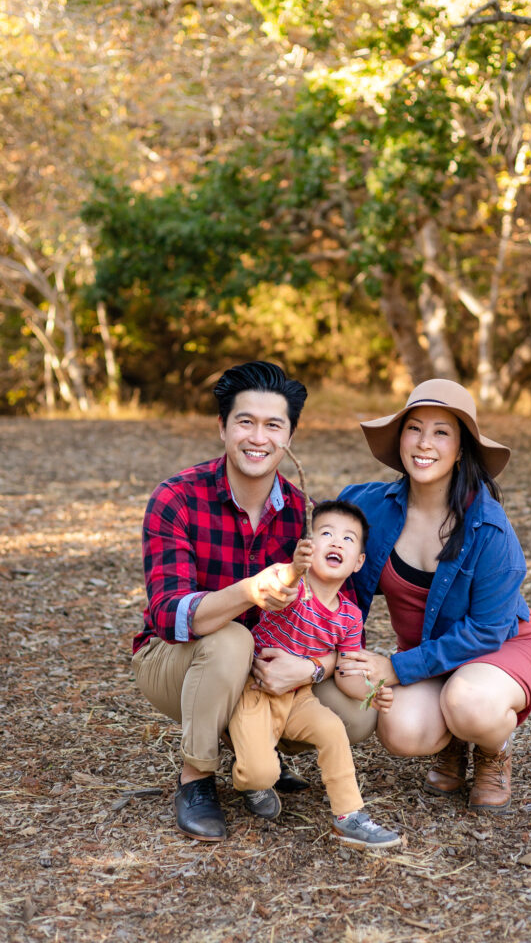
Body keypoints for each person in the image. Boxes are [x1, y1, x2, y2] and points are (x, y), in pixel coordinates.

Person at [132, 361, 376, 842]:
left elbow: (339, 618)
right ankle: (196, 778)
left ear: (288, 439)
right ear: (222, 427)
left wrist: (310, 671)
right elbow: (168, 616)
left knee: (359, 710)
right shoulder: (176, 499)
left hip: (269, 670)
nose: (257, 438)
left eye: (273, 426)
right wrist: (247, 592)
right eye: (245, 421)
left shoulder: (304, 515)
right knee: (230, 641)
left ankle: (256, 749)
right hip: (175, 659)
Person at [337, 379, 531, 812]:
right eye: (414, 428)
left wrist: (396, 667)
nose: (424, 443)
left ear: (460, 449)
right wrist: (347, 655)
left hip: (501, 648)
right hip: (430, 655)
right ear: (400, 439)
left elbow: (487, 631)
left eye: (441, 432)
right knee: (399, 729)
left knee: (469, 702)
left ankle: (494, 749)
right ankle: (451, 741)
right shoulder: (368, 508)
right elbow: (342, 593)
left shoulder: (488, 527)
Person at [229, 500, 400, 849]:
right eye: (326, 534)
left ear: (359, 563)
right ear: (308, 547)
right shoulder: (295, 588)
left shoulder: (350, 617)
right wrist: (294, 566)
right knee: (260, 773)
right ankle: (250, 773)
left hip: (300, 696)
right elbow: (280, 583)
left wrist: (372, 690)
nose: (336, 542)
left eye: (348, 539)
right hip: (258, 690)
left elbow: (348, 671)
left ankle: (348, 815)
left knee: (332, 729)